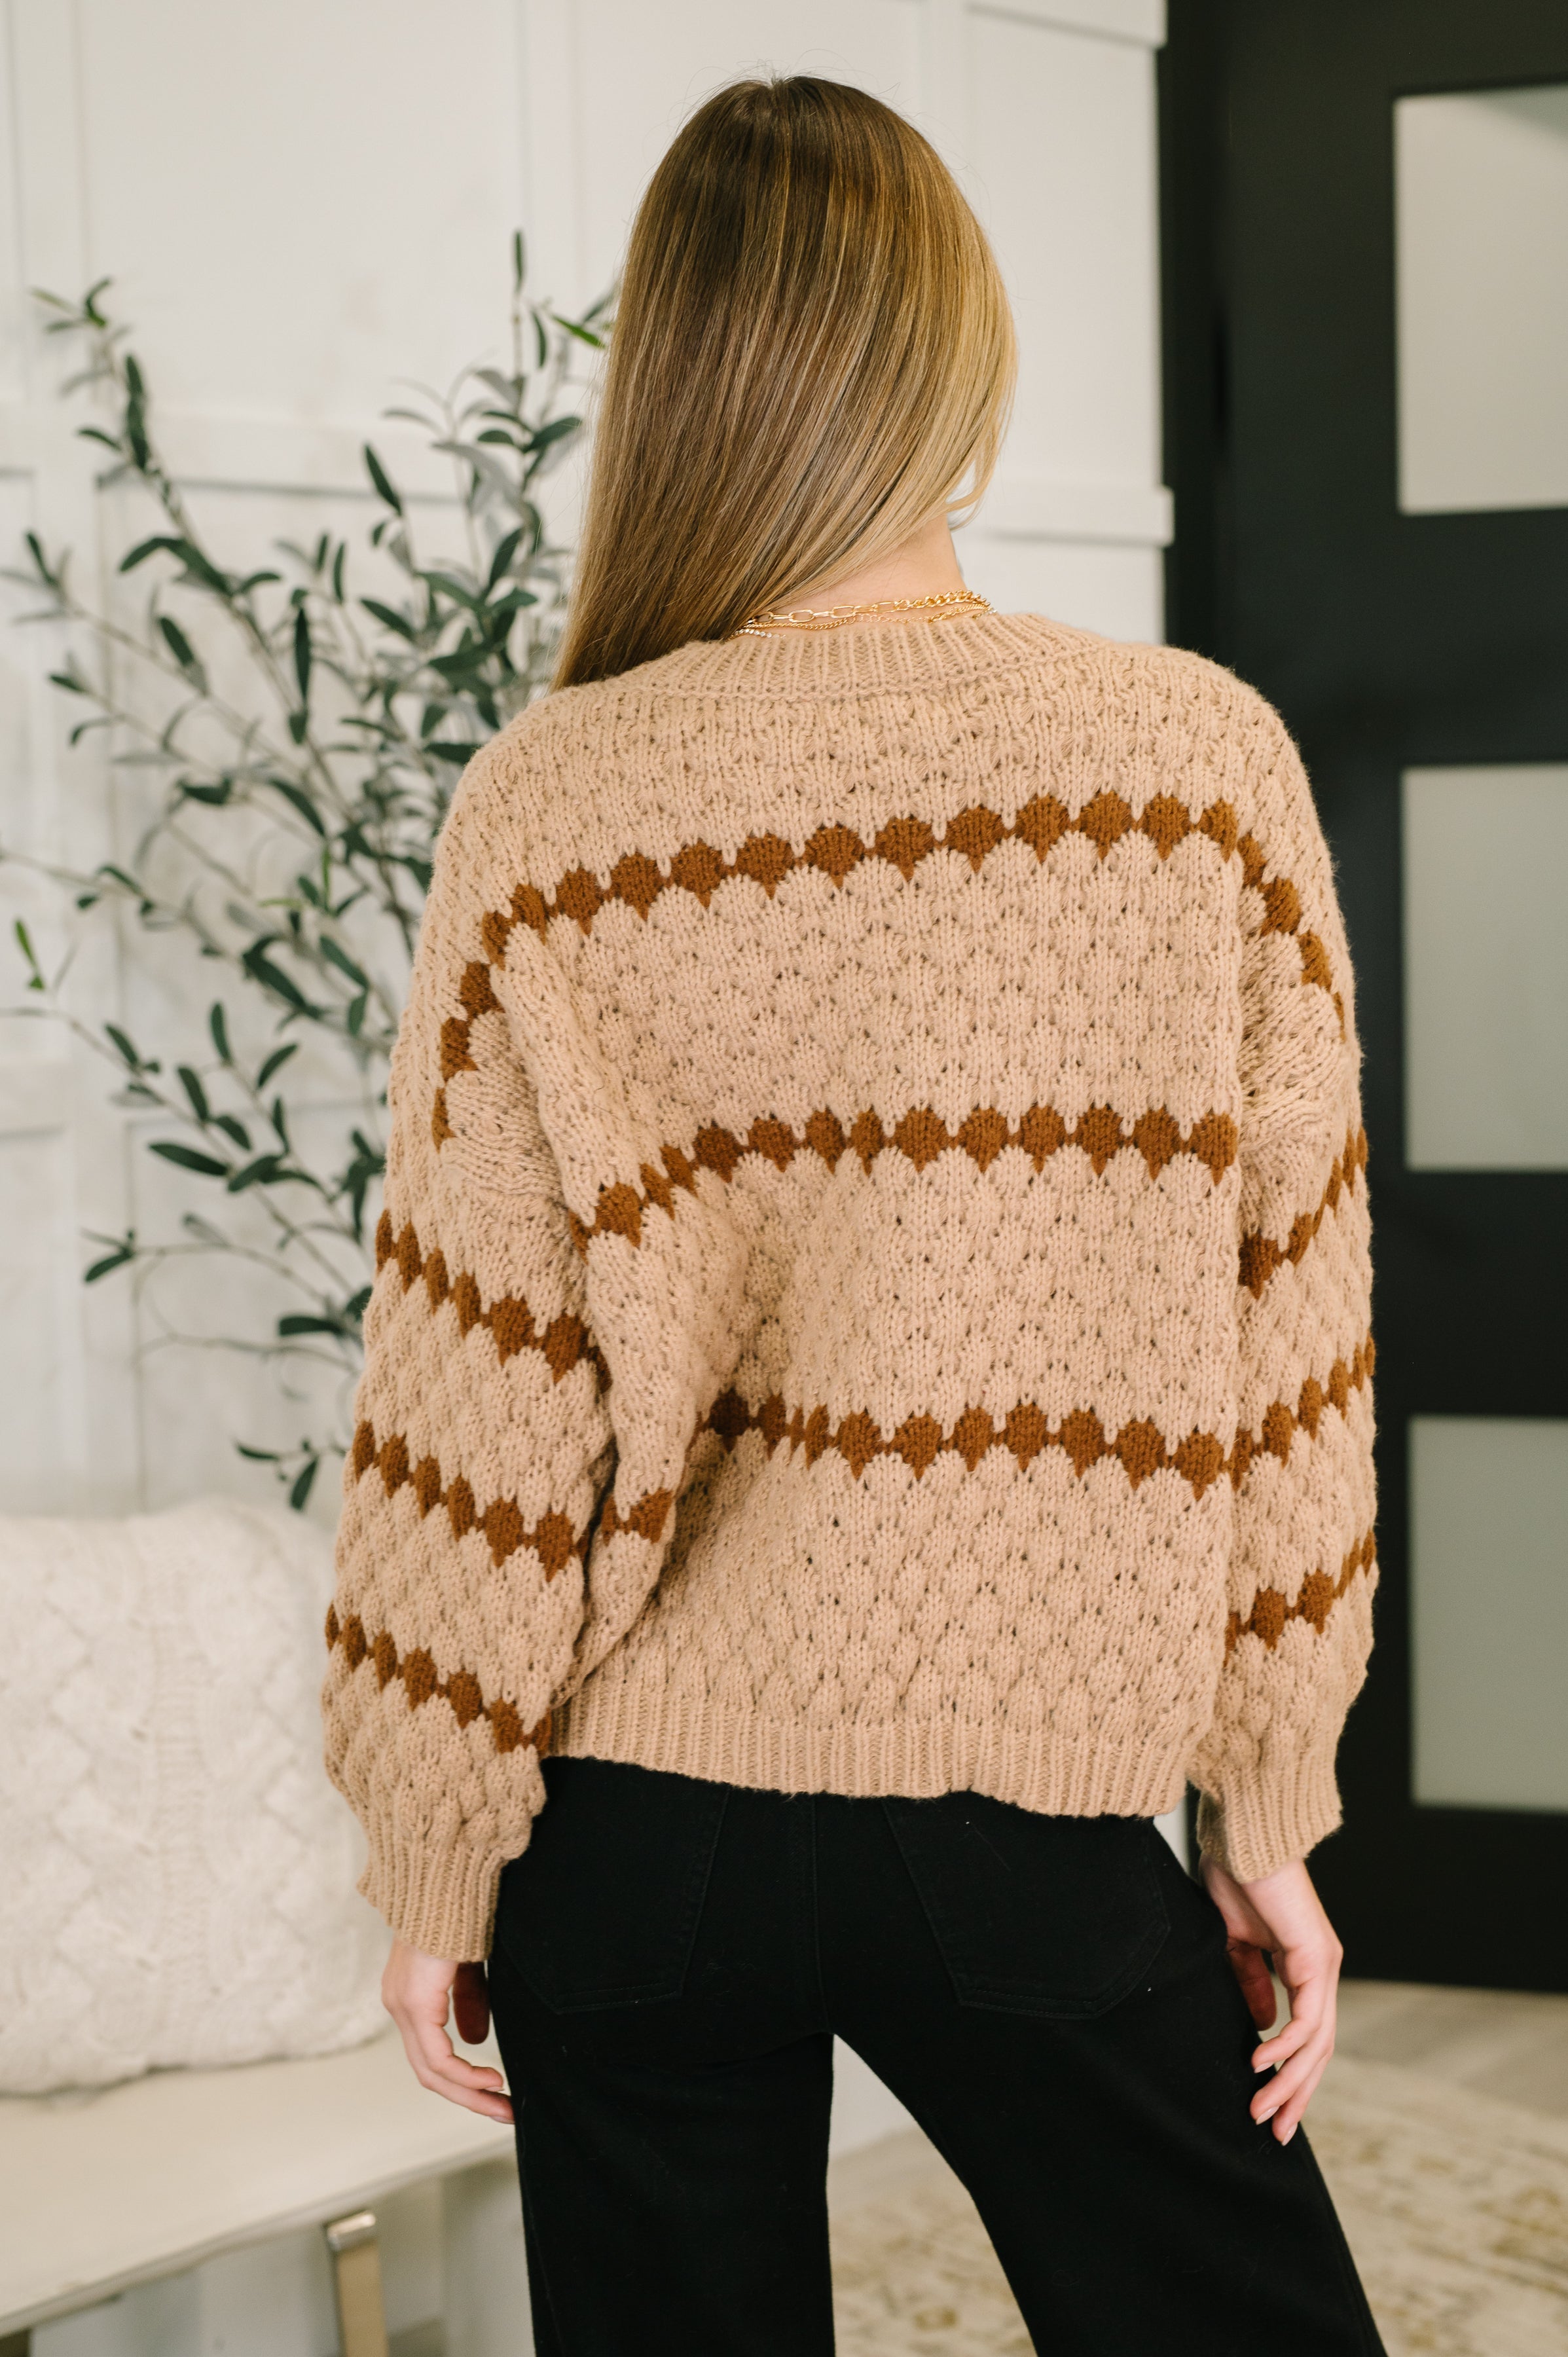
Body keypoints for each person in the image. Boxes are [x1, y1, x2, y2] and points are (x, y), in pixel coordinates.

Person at [325, 75, 1383, 2356]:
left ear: (676, 377)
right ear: (957, 357)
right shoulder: (1192, 769)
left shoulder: (549, 800)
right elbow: (1286, 1329)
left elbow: (473, 1380)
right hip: (1020, 1807)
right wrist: (1267, 1804)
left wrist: (436, 1853)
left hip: (630, 1828)